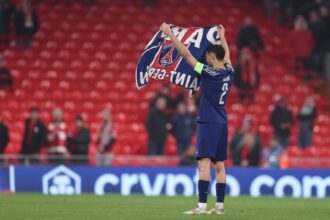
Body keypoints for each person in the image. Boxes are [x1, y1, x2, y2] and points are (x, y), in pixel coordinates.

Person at [160, 23, 234, 215]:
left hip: (208, 121)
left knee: (203, 163)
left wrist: (170, 34)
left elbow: (186, 55)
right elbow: (227, 55)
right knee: (220, 165)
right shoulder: (229, 72)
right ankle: (219, 206)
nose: (207, 59)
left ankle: (201, 206)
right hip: (222, 121)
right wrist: (223, 37)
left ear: (211, 57)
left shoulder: (209, 73)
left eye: (209, 56)